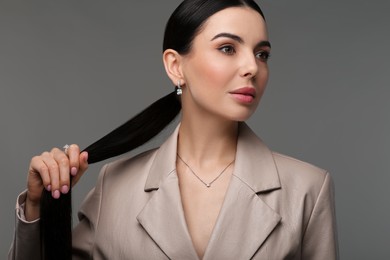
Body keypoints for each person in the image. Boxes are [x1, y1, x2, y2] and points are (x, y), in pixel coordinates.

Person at [9, 0, 338, 259]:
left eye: (261, 54)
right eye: (228, 48)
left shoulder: (308, 189)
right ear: (175, 65)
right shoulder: (115, 186)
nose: (252, 67)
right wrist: (38, 207)